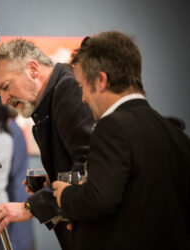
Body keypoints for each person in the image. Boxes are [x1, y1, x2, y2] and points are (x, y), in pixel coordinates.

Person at [52, 31, 190, 250]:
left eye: (81, 87)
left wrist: (66, 195)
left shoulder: (112, 127)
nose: (83, 98)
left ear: (100, 80)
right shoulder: (176, 135)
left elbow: (99, 198)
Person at [0, 39, 94, 249]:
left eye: (6, 87)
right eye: (0, 93)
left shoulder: (67, 89)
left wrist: (29, 207)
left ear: (33, 69)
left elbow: (90, 167)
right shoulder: (54, 98)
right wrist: (53, 181)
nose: (4, 101)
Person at [6, 106, 34, 250]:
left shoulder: (11, 130)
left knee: (17, 242)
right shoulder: (14, 128)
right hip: (17, 190)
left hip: (17, 192)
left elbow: (11, 167)